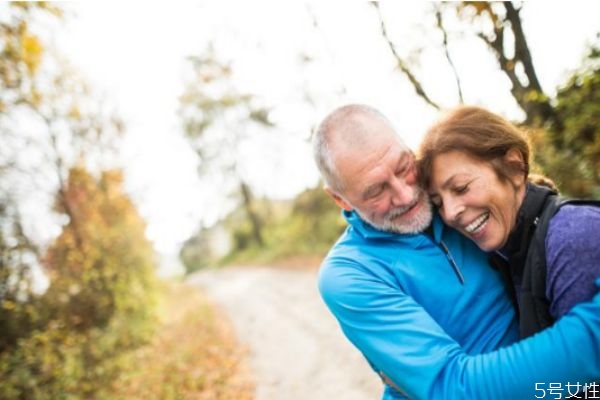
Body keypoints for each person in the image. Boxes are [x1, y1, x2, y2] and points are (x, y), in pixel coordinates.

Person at [313, 103, 600, 400]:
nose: (406, 195)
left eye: (403, 168)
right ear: (341, 199)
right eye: (375, 191)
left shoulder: (453, 206)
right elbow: (453, 389)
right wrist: (593, 331)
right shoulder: (349, 272)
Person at [418, 105, 600, 338]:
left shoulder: (572, 239)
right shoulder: (507, 255)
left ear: (514, 166)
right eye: (438, 202)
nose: (450, 213)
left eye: (461, 188)